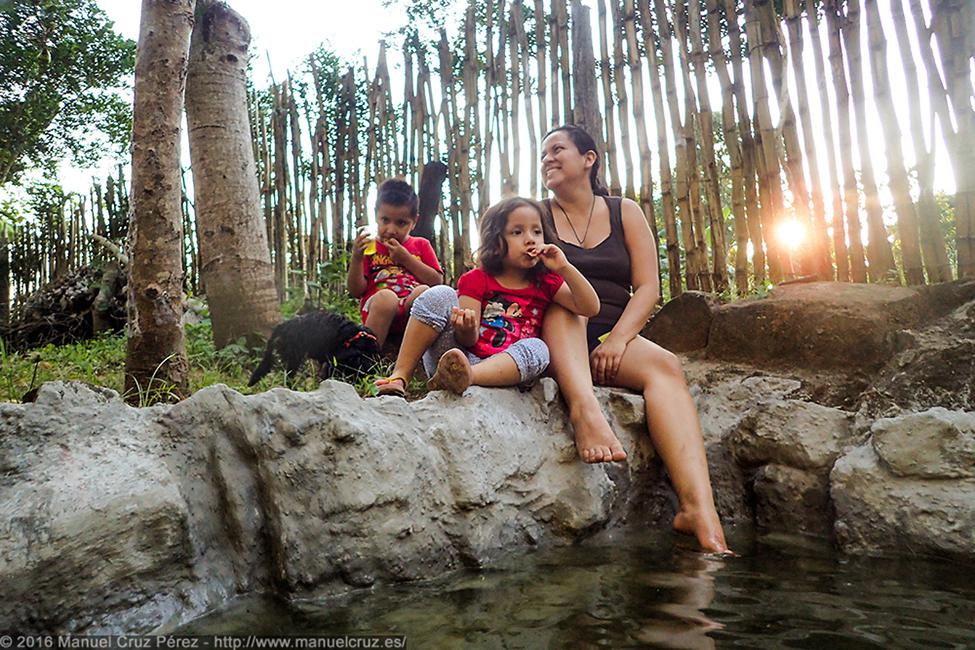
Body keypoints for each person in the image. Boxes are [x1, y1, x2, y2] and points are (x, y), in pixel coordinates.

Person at [540, 124, 729, 553]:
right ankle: (584, 411)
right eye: (544, 154)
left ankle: (698, 510)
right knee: (563, 301)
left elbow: (647, 287)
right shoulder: (537, 216)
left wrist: (618, 341)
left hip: (610, 332)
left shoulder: (623, 210)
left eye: (558, 149)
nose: (548, 158)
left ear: (589, 158)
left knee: (666, 366)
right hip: (558, 329)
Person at [374, 197, 600, 397]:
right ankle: (400, 376)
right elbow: (468, 341)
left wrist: (564, 267)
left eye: (537, 231)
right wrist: (466, 328)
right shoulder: (477, 279)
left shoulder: (546, 282)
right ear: (496, 241)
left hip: (509, 367)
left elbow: (590, 307)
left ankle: (468, 378)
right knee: (439, 294)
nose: (530, 239)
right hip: (457, 359)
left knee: (538, 348)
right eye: (517, 232)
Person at [347, 179, 443, 347]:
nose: (391, 229)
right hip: (379, 308)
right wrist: (356, 258)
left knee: (424, 292)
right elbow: (356, 291)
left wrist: (406, 259)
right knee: (386, 298)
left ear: (414, 222)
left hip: (410, 311)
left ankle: (416, 359)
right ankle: (366, 356)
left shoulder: (421, 245)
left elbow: (436, 281)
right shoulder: (370, 247)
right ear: (376, 216)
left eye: (401, 223)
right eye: (385, 220)